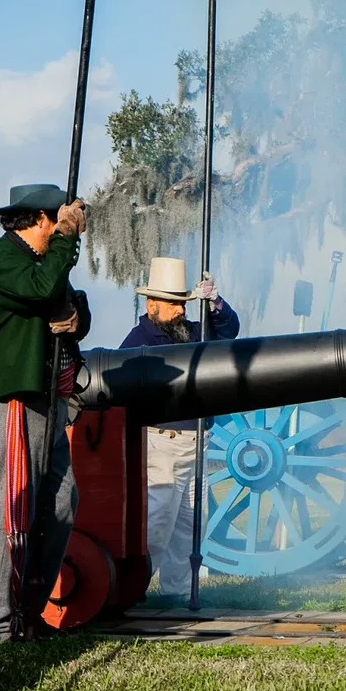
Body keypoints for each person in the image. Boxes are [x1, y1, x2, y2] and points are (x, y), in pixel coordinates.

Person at [0, 184, 91, 641]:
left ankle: (25, 611)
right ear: (42, 218)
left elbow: (63, 298)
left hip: (44, 397)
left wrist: (76, 316)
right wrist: (67, 239)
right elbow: (42, 291)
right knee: (11, 506)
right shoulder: (3, 258)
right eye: (59, 218)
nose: (68, 223)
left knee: (61, 500)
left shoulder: (39, 261)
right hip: (11, 397)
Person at [119, 256, 240, 599]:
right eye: (172, 304)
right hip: (162, 441)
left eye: (183, 303)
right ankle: (133, 590)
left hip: (197, 441)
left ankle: (178, 591)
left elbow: (229, 331)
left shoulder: (193, 333)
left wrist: (214, 304)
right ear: (151, 304)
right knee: (157, 525)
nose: (179, 311)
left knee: (189, 527)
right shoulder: (137, 341)